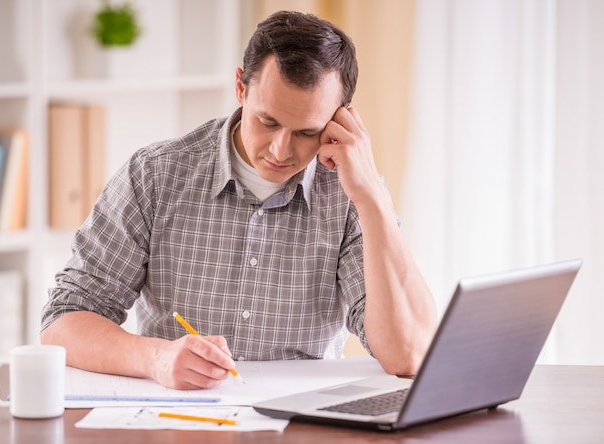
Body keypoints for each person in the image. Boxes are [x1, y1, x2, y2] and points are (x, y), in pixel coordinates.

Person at [41, 10, 437, 390]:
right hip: (180, 417)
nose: (281, 150)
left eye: (306, 132)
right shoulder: (155, 175)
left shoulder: (349, 195)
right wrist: (155, 358)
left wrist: (373, 201)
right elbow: (63, 323)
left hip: (301, 425)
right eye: (268, 121)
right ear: (240, 88)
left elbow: (409, 354)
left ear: (341, 120)